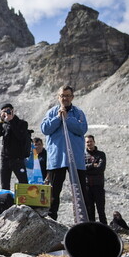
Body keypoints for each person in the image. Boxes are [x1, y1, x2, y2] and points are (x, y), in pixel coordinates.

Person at [41, 85, 89, 221]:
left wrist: (67, 119)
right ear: (58, 97)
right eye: (62, 95)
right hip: (57, 158)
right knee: (54, 191)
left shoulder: (78, 113)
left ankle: (83, 220)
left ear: (72, 97)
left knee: (79, 192)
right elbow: (45, 129)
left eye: (68, 95)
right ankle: (51, 218)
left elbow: (82, 129)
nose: (65, 98)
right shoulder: (51, 112)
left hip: (76, 159)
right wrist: (57, 118)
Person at [0, 104, 30, 190]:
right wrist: (1, 121)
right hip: (5, 159)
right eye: (4, 111)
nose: (7, 113)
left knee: (23, 183)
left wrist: (11, 121)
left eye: (8, 110)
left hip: (17, 159)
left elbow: (20, 136)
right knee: (4, 185)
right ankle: (6, 202)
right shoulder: (4, 124)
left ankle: (24, 202)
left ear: (13, 111)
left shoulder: (22, 123)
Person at [84, 135, 107, 224]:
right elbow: (82, 169)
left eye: (91, 141)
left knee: (101, 210)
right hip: (87, 187)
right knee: (90, 211)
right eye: (87, 142)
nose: (89, 143)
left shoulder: (101, 154)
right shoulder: (83, 155)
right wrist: (92, 165)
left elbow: (101, 168)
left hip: (98, 186)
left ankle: (105, 231)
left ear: (94, 142)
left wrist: (88, 169)